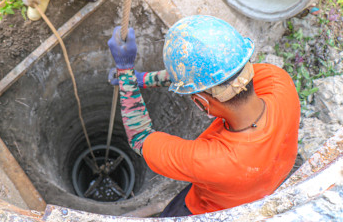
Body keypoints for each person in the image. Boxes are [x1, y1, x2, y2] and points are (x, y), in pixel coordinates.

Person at [107, 15, 300, 216]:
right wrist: (142, 80)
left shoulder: (212, 161)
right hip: (268, 184)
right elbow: (216, 75)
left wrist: (125, 72)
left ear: (201, 103)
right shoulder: (278, 82)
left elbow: (140, 137)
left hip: (212, 212)